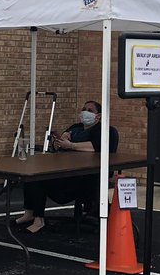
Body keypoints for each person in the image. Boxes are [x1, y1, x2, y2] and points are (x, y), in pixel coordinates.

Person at [17, 100, 119, 234]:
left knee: (39, 181)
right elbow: (60, 143)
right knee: (31, 175)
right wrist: (60, 139)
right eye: (84, 109)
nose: (85, 112)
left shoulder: (106, 131)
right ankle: (29, 213)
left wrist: (71, 146)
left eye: (90, 110)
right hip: (65, 170)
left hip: (85, 177)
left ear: (98, 116)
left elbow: (95, 147)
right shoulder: (75, 127)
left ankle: (39, 220)